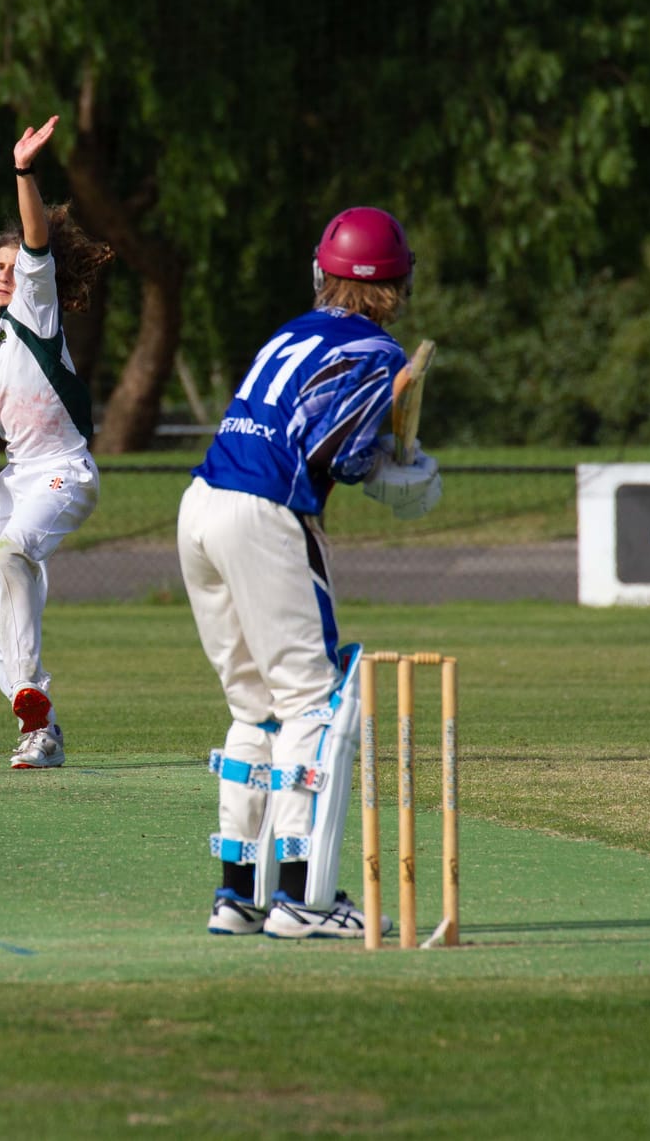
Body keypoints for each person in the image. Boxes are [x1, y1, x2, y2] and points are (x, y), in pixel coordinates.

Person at [179, 206, 441, 938]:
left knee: (253, 708)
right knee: (315, 706)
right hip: (262, 514)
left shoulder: (292, 330)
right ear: (397, 284)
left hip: (198, 504)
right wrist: (404, 467)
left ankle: (238, 895)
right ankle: (305, 899)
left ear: (323, 271)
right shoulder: (378, 354)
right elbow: (340, 456)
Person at [0, 117, 113, 769]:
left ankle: (32, 698)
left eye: (17, 265)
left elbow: (35, 234)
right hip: (18, 482)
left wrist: (23, 172)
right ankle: (40, 727)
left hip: (65, 471)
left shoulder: (35, 312)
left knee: (15, 553)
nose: (8, 274)